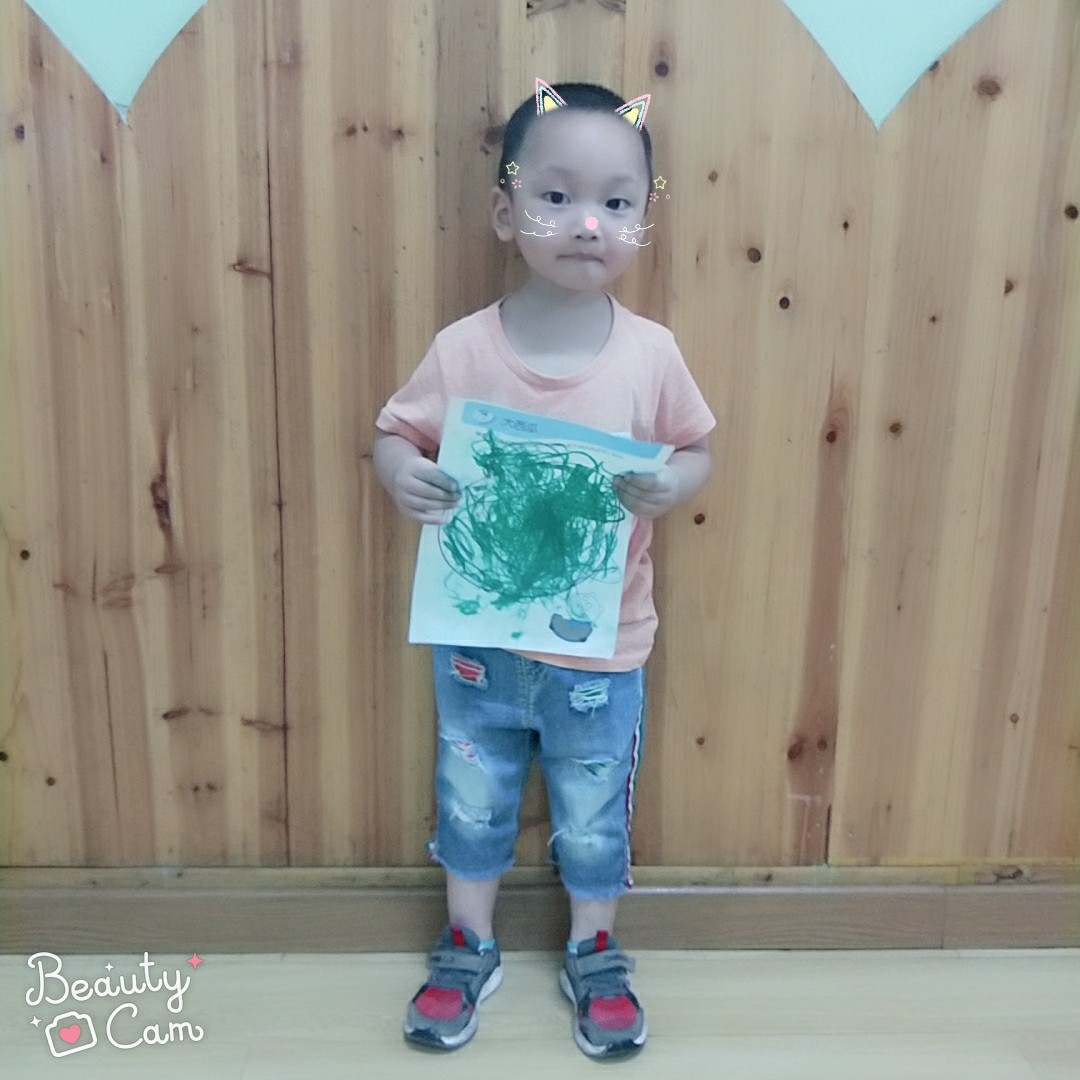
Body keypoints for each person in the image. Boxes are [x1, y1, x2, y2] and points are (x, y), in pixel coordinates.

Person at [373, 80, 716, 1060]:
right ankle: (467, 943)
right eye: (556, 196)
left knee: (593, 814)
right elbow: (396, 431)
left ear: (642, 223)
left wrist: (672, 484)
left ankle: (595, 950)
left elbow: (696, 448)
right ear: (505, 210)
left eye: (616, 201)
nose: (586, 223)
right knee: (470, 800)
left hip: (603, 653)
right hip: (475, 647)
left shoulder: (651, 354)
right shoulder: (463, 350)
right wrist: (402, 474)